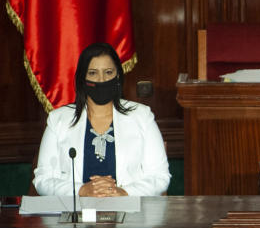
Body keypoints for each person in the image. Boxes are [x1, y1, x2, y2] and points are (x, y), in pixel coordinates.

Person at [33, 43, 171, 197]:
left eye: (108, 72)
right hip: (76, 216)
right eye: (93, 73)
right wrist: (81, 191)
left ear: (118, 75)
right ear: (82, 78)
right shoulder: (58, 120)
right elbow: (43, 180)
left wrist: (123, 193)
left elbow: (160, 177)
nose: (101, 79)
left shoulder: (142, 116)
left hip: (130, 215)